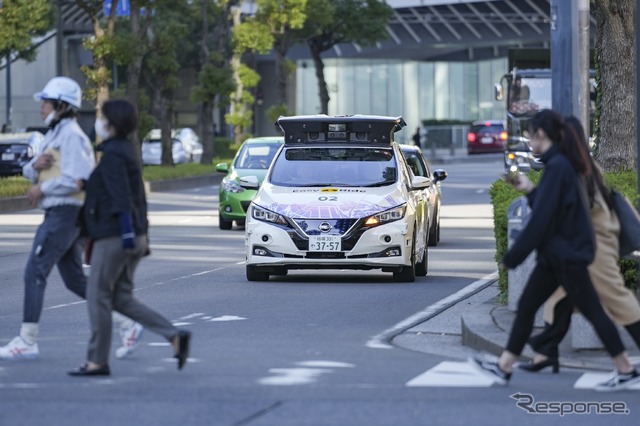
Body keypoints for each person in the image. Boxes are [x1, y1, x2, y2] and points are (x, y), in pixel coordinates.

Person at [469, 109, 639, 392]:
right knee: (529, 307)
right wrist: (528, 189)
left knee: (596, 312)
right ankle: (506, 366)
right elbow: (550, 210)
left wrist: (512, 257)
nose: (529, 142)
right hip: (557, 256)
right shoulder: (561, 166)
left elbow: (542, 220)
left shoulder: (560, 167)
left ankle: (624, 368)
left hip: (567, 258)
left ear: (541, 135)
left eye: (530, 136)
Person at [0, 77, 143, 361]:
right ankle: (127, 323)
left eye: (46, 102)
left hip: (66, 213)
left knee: (34, 271)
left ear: (62, 106)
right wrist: (34, 166)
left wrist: (44, 187)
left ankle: (28, 339)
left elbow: (79, 179)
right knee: (75, 280)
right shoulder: (54, 134)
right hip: (59, 213)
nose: (41, 107)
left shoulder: (73, 137)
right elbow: (34, 171)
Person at [68, 99, 191, 376]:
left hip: (115, 236)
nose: (99, 122)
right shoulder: (127, 151)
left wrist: (125, 235)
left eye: (102, 117)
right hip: (132, 235)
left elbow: (122, 200)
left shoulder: (112, 155)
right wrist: (141, 235)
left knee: (97, 295)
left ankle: (97, 361)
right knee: (120, 297)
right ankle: (174, 336)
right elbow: (131, 194)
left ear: (111, 123)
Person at [519, 116, 640, 374]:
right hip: (588, 243)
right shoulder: (582, 164)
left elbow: (558, 212)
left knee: (616, 299)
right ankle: (545, 354)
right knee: (558, 299)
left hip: (595, 246)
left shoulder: (572, 168)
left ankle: (621, 366)